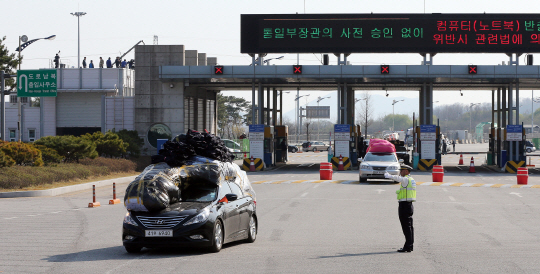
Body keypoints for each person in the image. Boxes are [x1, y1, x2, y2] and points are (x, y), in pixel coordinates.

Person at [384, 164, 416, 253]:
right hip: (408, 205)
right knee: (409, 227)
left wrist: (389, 176)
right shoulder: (411, 179)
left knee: (406, 227)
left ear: (406, 171)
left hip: (405, 206)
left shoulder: (406, 179)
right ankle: (409, 245)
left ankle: (408, 246)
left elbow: (398, 179)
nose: (400, 172)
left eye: (402, 170)